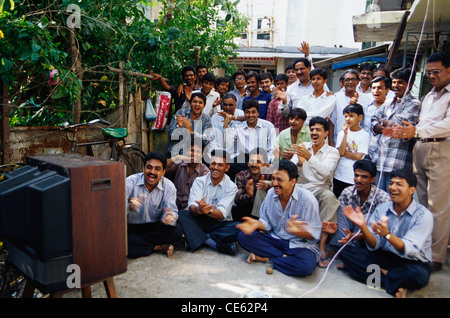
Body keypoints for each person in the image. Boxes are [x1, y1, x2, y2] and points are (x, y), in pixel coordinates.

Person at [390, 52, 450, 272]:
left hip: (441, 148)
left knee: (438, 207)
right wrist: (408, 130)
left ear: (449, 70)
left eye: (437, 72)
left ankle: (435, 256)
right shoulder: (430, 95)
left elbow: (447, 125)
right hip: (421, 147)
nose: (432, 76)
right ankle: (420, 249)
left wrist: (416, 130)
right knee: (421, 204)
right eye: (430, 72)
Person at [339, 170, 433, 298]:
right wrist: (363, 227)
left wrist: (387, 234)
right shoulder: (383, 208)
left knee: (419, 276)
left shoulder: (423, 216)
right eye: (391, 183)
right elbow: (374, 243)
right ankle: (395, 282)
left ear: (411, 190)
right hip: (385, 257)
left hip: (411, 261)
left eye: (399, 184)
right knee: (346, 251)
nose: (393, 188)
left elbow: (408, 248)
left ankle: (380, 276)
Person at [236, 160, 322, 277]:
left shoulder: (307, 199)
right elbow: (266, 223)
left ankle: (266, 258)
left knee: (306, 266)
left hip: (298, 245)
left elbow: (314, 234)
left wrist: (298, 232)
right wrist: (258, 224)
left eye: (279, 180)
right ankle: (283, 259)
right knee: (243, 236)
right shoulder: (271, 193)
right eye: (273, 178)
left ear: (293, 181)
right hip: (275, 239)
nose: (274, 183)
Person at [291, 116, 340, 268]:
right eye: (312, 129)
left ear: (326, 133)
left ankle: (322, 245)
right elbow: (291, 171)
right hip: (301, 186)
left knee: (330, 198)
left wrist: (308, 157)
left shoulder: (332, 152)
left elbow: (325, 173)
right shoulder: (303, 146)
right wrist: (299, 162)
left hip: (320, 188)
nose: (314, 132)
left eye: (318, 129)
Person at [178, 149, 240, 255]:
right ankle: (214, 244)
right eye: (213, 163)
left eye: (220, 165)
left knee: (239, 227)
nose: (215, 167)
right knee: (181, 214)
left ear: (227, 168)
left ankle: (196, 237)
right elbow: (192, 206)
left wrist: (208, 211)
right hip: (200, 219)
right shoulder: (199, 181)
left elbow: (222, 214)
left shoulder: (231, 187)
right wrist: (198, 210)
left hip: (219, 223)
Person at [329, 160, 391, 263]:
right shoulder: (347, 192)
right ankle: (344, 248)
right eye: (356, 175)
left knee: (367, 216)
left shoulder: (382, 198)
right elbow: (340, 219)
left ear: (373, 179)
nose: (358, 180)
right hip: (348, 231)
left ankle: (349, 252)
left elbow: (379, 231)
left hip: (366, 236)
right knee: (341, 209)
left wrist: (357, 236)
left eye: (364, 177)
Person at [369, 67, 420, 191]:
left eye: (400, 82)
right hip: (379, 160)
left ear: (410, 84)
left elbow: (397, 125)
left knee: (395, 200)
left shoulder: (414, 103)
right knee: (378, 199)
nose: (396, 85)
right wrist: (380, 124)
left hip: (398, 162)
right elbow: (373, 120)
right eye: (394, 82)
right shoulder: (387, 102)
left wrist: (381, 121)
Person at [126, 151, 183, 259]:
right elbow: (115, 211)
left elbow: (172, 212)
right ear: (143, 168)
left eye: (157, 169)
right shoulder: (129, 183)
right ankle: (158, 247)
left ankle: (140, 246)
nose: (152, 172)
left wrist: (169, 217)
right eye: (149, 167)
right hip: (132, 226)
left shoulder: (169, 187)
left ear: (163, 172)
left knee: (177, 230)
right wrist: (130, 207)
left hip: (153, 226)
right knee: (117, 238)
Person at [224, 99, 277, 180]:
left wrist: (265, 162)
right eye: (247, 112)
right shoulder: (238, 127)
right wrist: (226, 124)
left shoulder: (268, 126)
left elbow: (272, 148)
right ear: (244, 113)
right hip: (245, 159)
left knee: (274, 168)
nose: (250, 115)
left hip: (263, 158)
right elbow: (227, 142)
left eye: (253, 112)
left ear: (258, 113)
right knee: (227, 166)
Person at [333, 104, 369, 198]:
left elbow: (359, 156)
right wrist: (345, 134)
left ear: (360, 117)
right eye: (346, 116)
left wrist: (344, 153)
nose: (348, 119)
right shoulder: (342, 133)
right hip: (339, 175)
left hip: (352, 176)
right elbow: (340, 152)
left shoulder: (364, 135)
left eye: (351, 116)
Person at [329, 69, 372, 147]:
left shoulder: (367, 99)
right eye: (347, 80)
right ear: (342, 83)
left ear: (358, 82)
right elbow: (332, 122)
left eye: (353, 79)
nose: (350, 82)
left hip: (359, 142)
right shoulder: (336, 98)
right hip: (340, 141)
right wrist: (331, 143)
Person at [165, 140, 210, 210]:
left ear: (202, 155)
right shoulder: (180, 163)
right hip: (172, 206)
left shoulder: (205, 172)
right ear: (186, 152)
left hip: (191, 210)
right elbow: (162, 167)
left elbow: (204, 197)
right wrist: (177, 157)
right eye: (192, 150)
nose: (194, 154)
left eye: (198, 152)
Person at [167, 91, 212, 157]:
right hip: (175, 153)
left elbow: (206, 142)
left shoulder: (206, 120)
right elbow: (170, 135)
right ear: (190, 103)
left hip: (195, 155)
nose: (197, 104)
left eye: (200, 102)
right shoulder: (180, 113)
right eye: (194, 102)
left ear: (204, 106)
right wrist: (179, 128)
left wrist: (190, 131)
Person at [233, 148, 272, 221]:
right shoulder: (241, 175)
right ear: (248, 163)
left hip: (268, 213)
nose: (254, 164)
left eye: (258, 162)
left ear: (265, 164)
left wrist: (267, 186)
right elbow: (237, 200)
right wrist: (248, 195)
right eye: (252, 161)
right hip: (246, 213)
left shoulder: (271, 174)